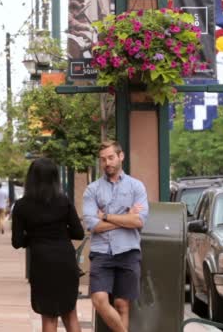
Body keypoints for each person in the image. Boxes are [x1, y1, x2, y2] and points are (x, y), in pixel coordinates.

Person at [12, 158, 84, 332]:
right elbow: (78, 233)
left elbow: (17, 242)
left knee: (49, 316)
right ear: (54, 178)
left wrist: (35, 236)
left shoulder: (21, 206)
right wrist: (60, 233)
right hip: (65, 261)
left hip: (42, 263)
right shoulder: (64, 201)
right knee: (70, 313)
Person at [82, 140, 148, 332]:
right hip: (101, 252)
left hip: (128, 250)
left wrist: (107, 216)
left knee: (122, 304)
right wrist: (126, 217)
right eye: (103, 159)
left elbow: (139, 221)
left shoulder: (137, 187)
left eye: (111, 157)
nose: (107, 163)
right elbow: (92, 224)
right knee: (99, 299)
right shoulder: (92, 190)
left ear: (121, 156)